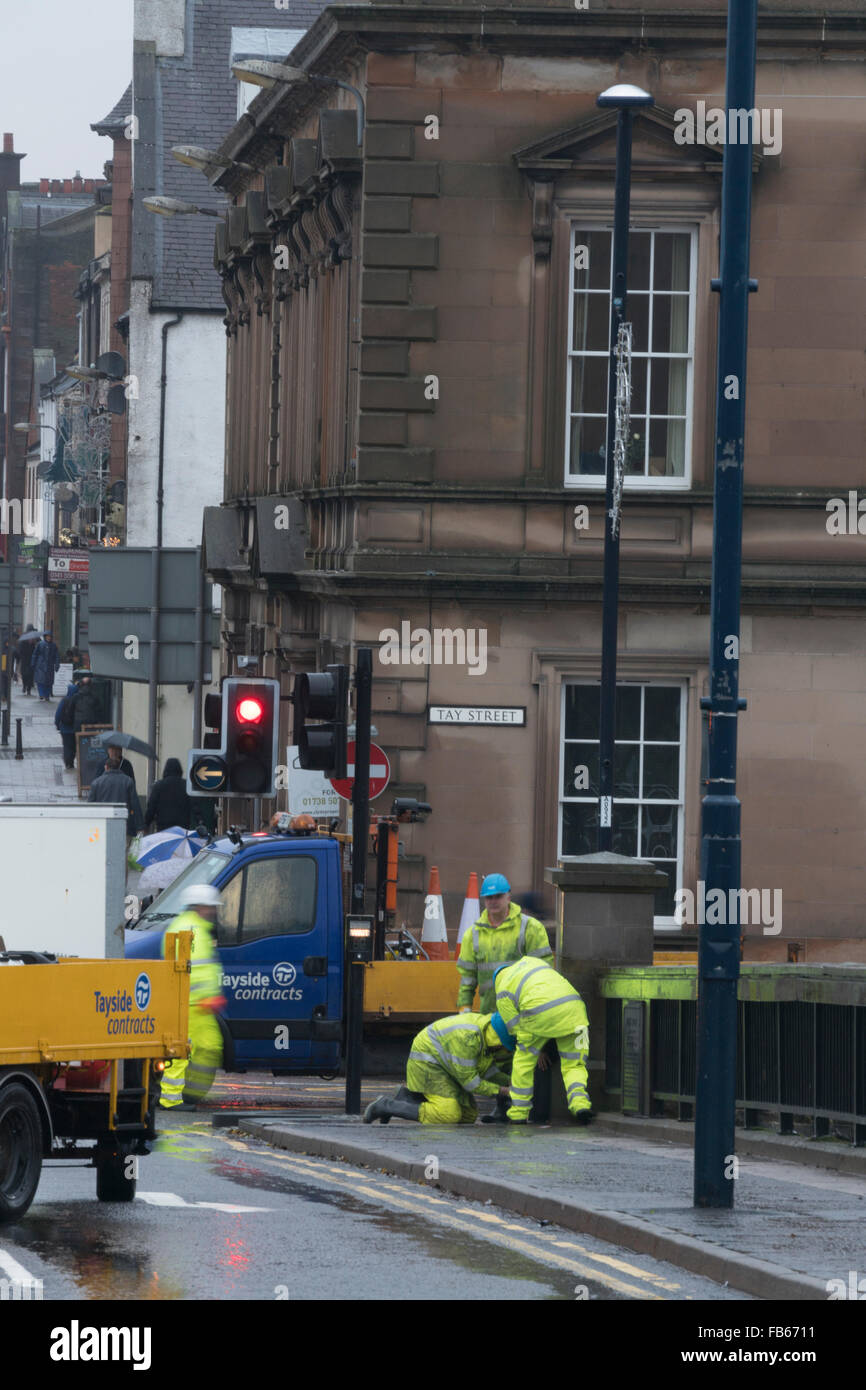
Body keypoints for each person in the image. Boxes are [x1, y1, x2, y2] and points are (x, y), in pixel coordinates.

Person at [363, 1012, 515, 1125]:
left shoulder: (486, 1035)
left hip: (446, 1067)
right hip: (428, 1063)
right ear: (498, 1042)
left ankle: (406, 1098)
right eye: (507, 1049)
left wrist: (509, 1082)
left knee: (468, 1116)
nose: (507, 1053)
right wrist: (503, 1091)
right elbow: (471, 1083)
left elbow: (487, 1071)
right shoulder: (469, 1039)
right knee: (448, 1114)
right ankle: (386, 1106)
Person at [492, 956, 593, 1125]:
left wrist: (535, 1049)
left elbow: (515, 1028)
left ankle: (518, 1113)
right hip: (576, 1012)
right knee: (575, 1065)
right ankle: (580, 1105)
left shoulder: (502, 991)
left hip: (539, 1014)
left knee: (523, 1062)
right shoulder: (533, 962)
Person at [159, 883, 226, 1111]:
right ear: (199, 907)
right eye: (210, 907)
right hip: (190, 1003)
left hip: (200, 1005)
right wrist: (204, 997)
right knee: (181, 1051)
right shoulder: (190, 929)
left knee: (209, 1047)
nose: (213, 912)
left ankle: (188, 1094)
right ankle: (171, 1098)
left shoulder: (196, 927)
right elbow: (189, 970)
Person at [456, 873, 553, 1014]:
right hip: (490, 1014)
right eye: (489, 897)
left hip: (523, 1012)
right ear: (484, 900)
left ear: (508, 897)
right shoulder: (473, 935)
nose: (493, 901)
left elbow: (543, 972)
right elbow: (467, 978)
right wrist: (464, 1008)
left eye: (498, 896)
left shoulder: (530, 928)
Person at [88, 758, 143, 838]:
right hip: (124, 825)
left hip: (103, 825)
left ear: (106, 767)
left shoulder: (96, 783)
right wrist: (140, 826)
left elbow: (90, 806)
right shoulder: (128, 781)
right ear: (118, 767)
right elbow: (135, 805)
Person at [144, 757, 192, 832]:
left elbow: (151, 807)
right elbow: (193, 806)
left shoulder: (158, 786)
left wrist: (146, 824)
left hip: (163, 827)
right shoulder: (186, 785)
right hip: (182, 827)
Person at [54, 680, 79, 769]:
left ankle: (68, 762)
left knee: (67, 746)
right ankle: (71, 760)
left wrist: (57, 724)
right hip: (75, 728)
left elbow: (58, 713)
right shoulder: (78, 701)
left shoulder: (64, 700)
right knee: (74, 746)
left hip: (65, 728)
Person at [32, 631, 60, 701]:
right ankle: (41, 694)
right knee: (40, 681)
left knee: (49, 682)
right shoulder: (40, 644)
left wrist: (57, 665)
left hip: (49, 666)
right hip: (40, 665)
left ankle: (47, 695)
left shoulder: (53, 645)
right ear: (45, 637)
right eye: (47, 636)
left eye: (50, 637)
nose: (49, 638)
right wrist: (33, 663)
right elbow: (35, 654)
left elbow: (57, 656)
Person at [16, 625, 37, 695]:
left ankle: (29, 689)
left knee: (31, 675)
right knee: (24, 674)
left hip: (32, 660)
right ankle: (24, 685)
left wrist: (34, 644)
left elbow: (36, 649)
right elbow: (19, 650)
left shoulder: (35, 639)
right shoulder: (23, 640)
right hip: (24, 660)